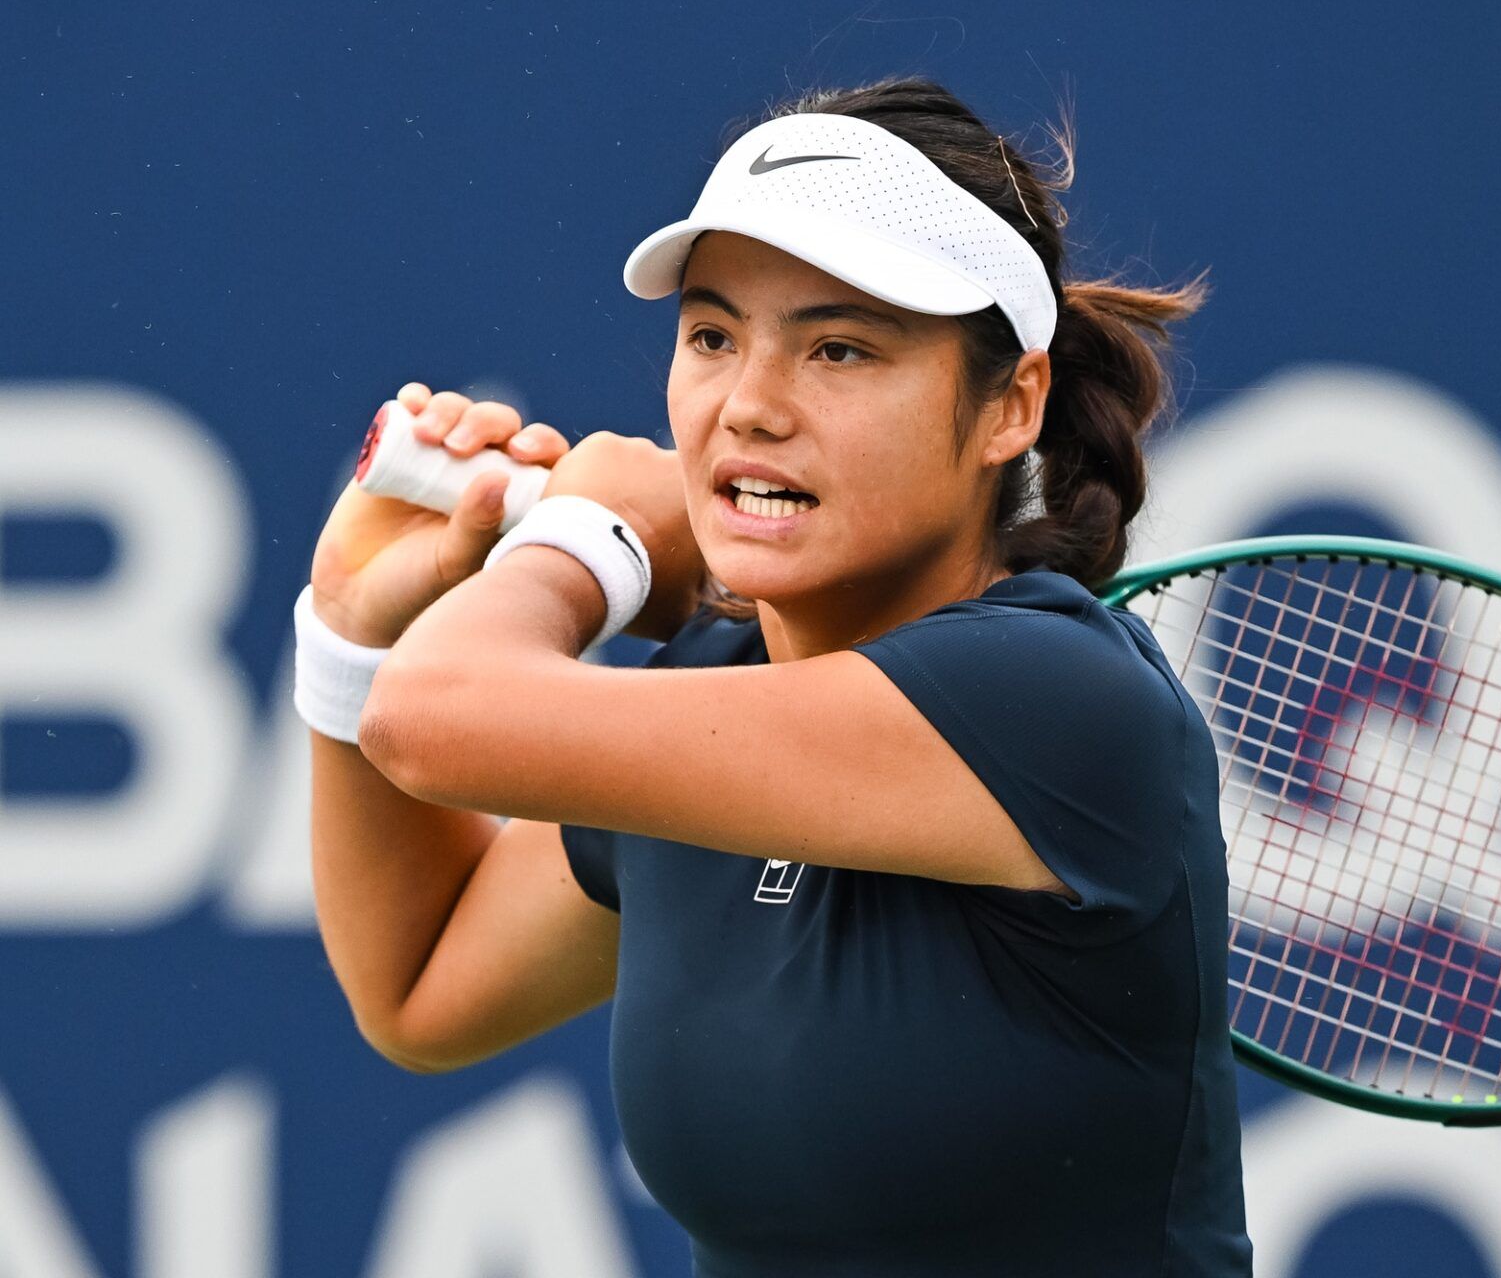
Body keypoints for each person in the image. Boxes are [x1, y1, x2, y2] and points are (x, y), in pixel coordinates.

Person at [296, 76, 1253, 1276]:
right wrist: (349, 625)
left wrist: (589, 542)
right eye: (711, 336)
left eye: (839, 348)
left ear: (1012, 402)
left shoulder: (1054, 699)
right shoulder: (716, 682)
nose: (747, 406)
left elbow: (436, 720)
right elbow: (420, 987)